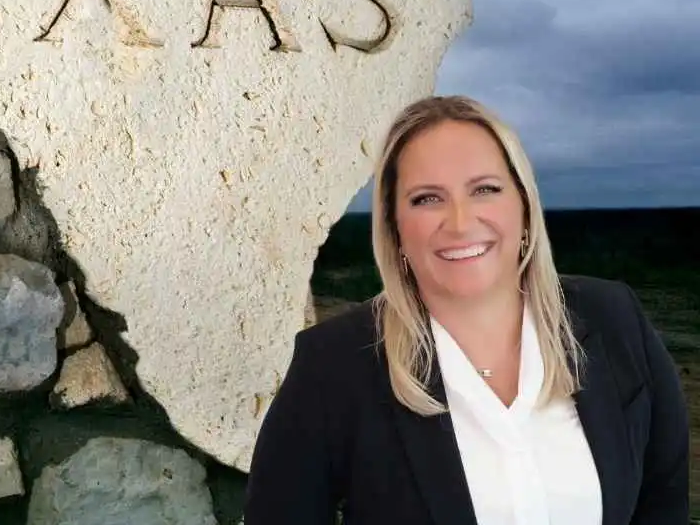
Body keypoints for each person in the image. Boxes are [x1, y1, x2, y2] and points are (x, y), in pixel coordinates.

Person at [244, 94, 689, 524]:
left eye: (485, 189)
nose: (459, 222)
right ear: (395, 228)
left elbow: (662, 504)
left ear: (524, 206)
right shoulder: (333, 364)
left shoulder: (615, 319)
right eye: (427, 198)